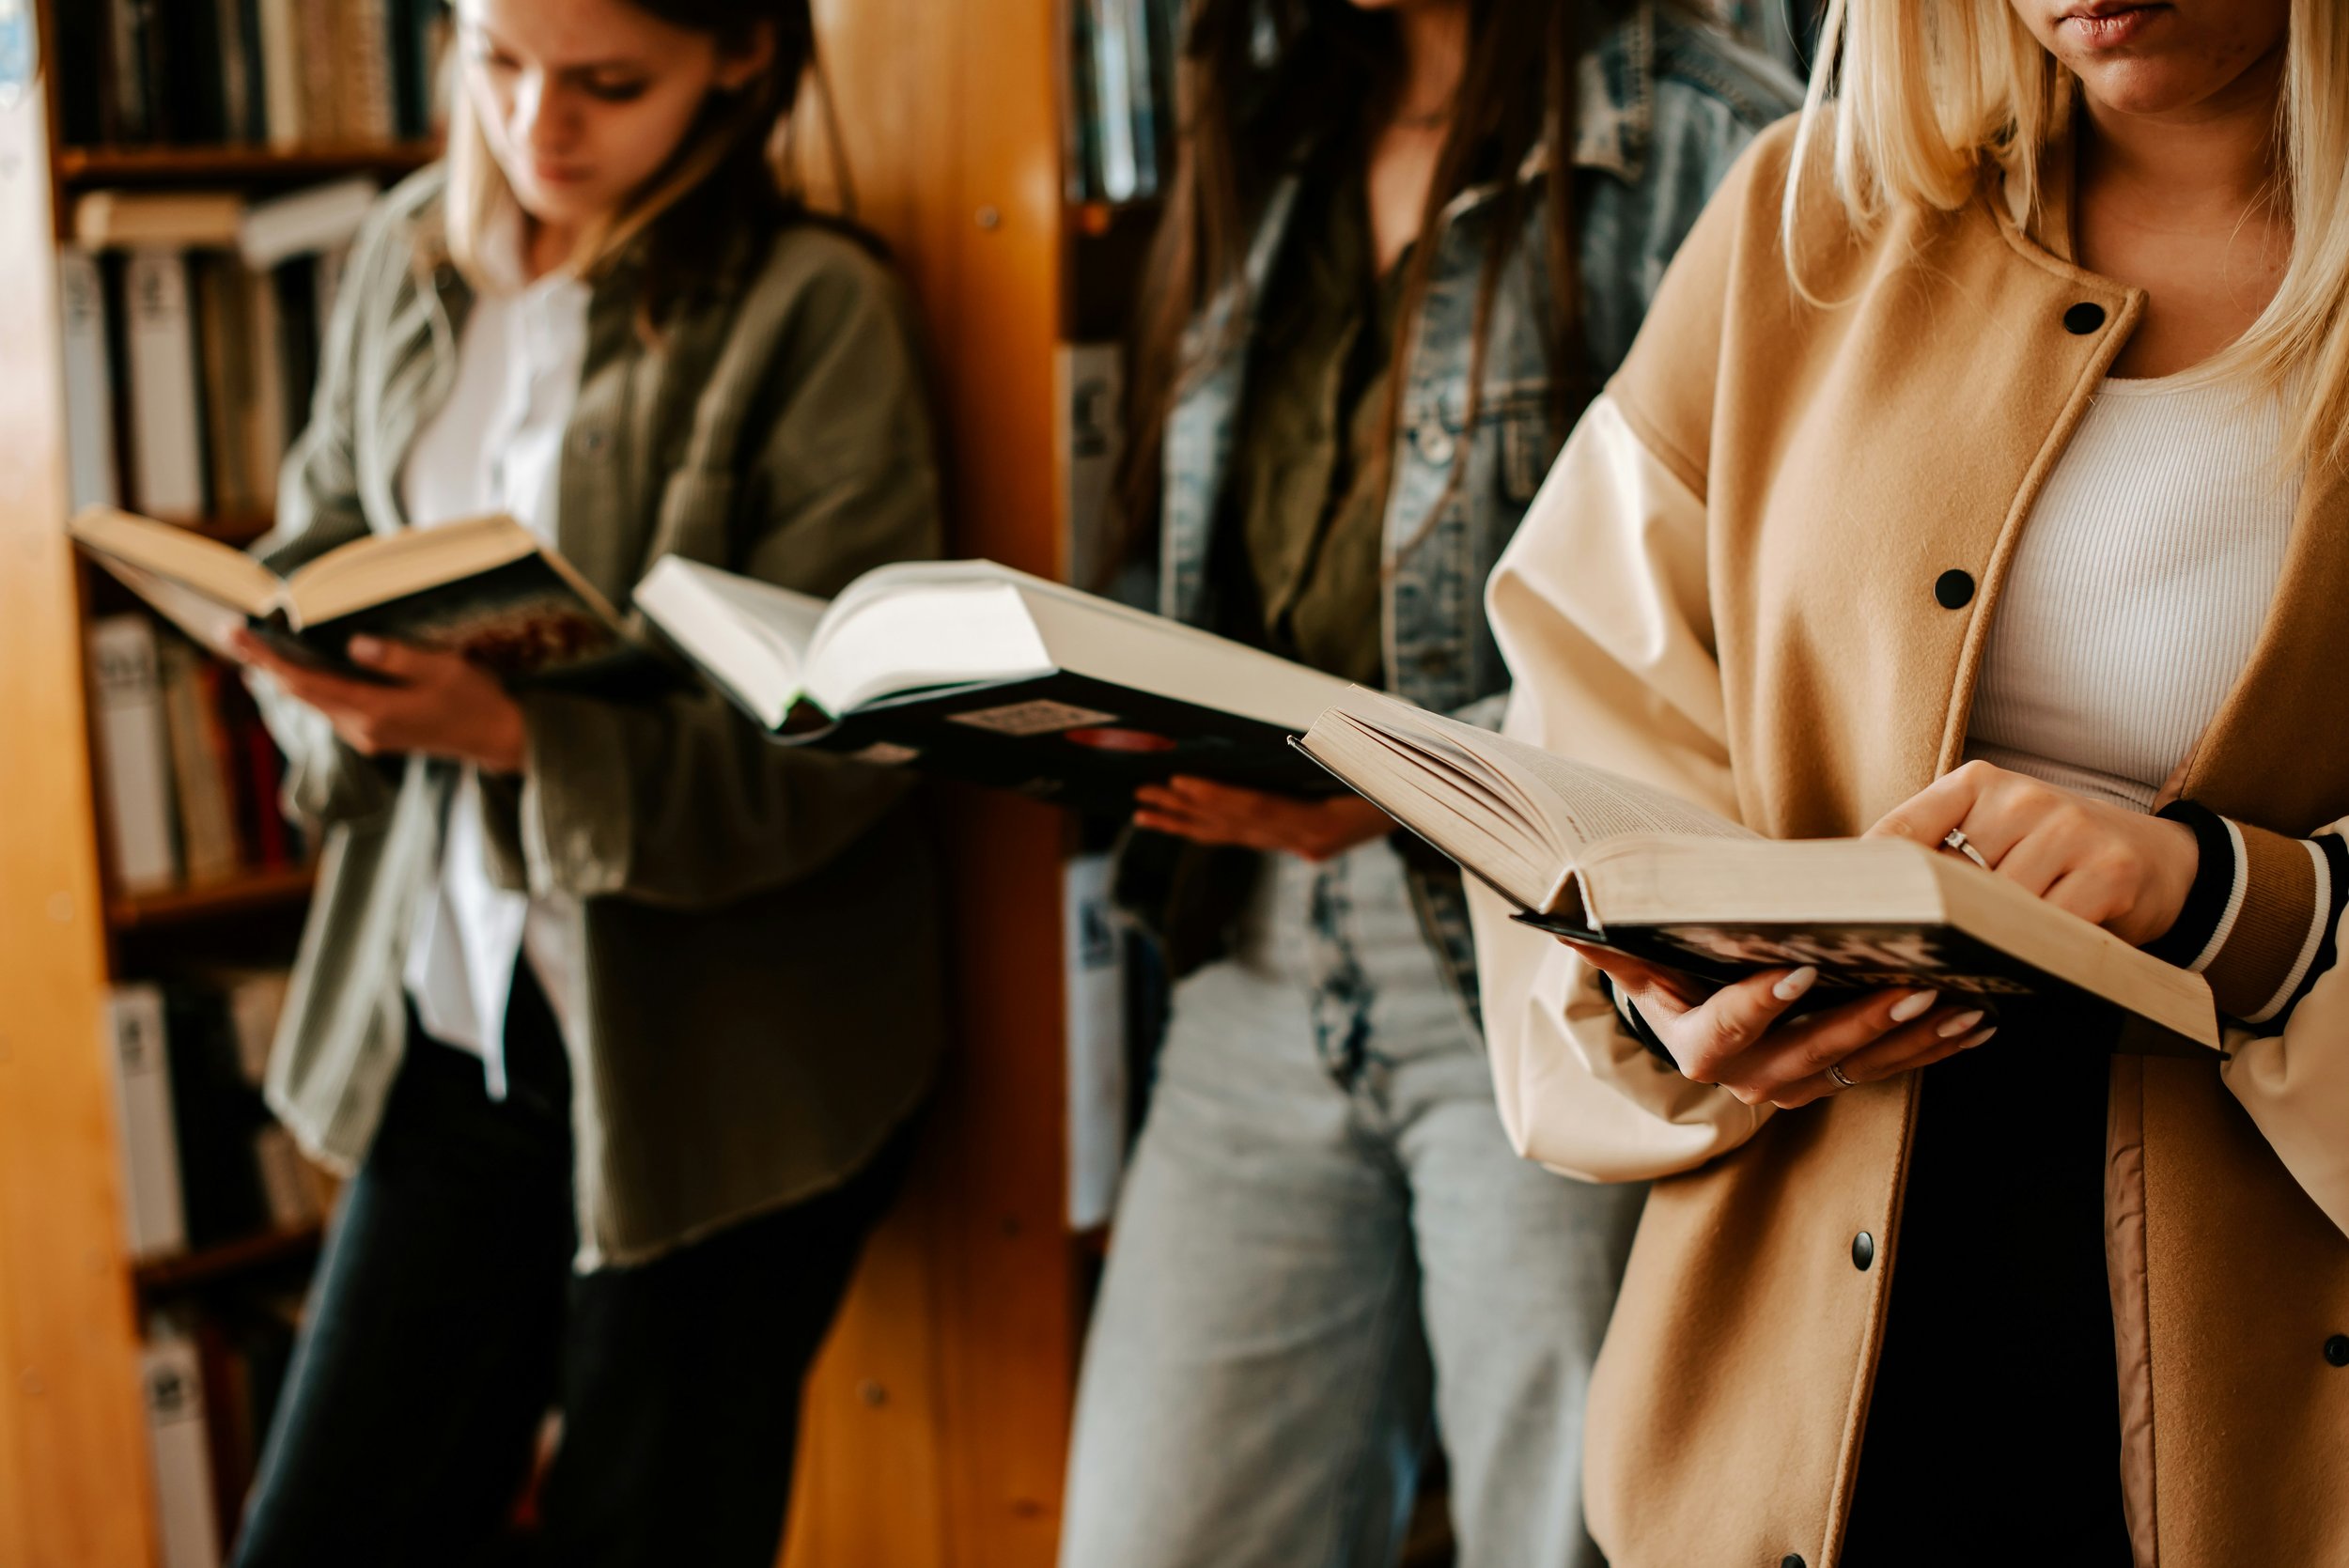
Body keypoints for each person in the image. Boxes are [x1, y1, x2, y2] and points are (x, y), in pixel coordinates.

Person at [1471, 0, 2349, 1562]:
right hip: (1802, 1383)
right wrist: (1656, 980)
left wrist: (2225, 894)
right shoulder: (1798, 221)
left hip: (2276, 1392)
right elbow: (1587, 716)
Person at [1058, 4, 1797, 1564]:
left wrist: (1415, 775)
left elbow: (1768, 618)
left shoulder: (1711, 131)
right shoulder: (1273, 131)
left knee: (1572, 1529)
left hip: (1540, 962)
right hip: (1250, 944)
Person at [226, 1, 946, 1562]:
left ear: (740, 54)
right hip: (456, 1018)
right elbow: (327, 520)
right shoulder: (410, 250)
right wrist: (321, 684)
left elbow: (856, 741)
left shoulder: (813, 309)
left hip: (723, 1071)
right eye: (495, 58)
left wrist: (517, 740)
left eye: (608, 83)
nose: (537, 122)